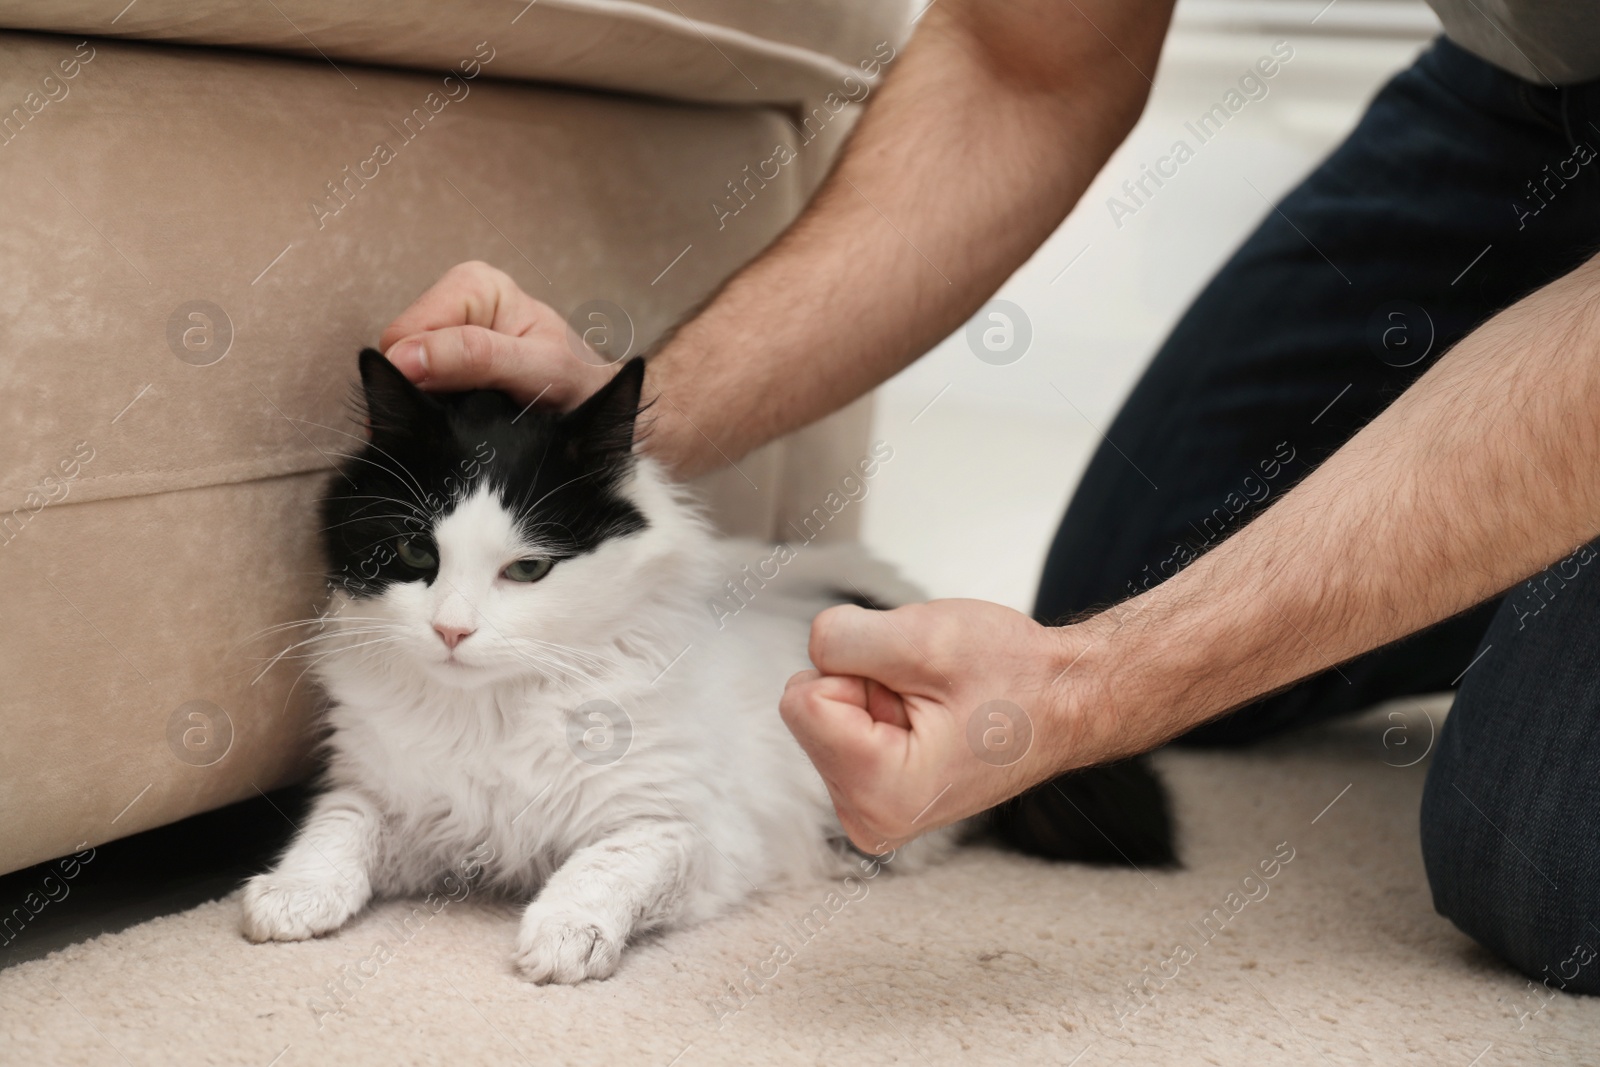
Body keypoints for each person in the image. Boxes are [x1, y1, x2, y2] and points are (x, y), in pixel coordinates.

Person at [377, 1, 1600, 993]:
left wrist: (1095, 686)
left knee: (1538, 851)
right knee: (1140, 588)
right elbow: (1026, 66)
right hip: (1524, 82)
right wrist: (615, 437)